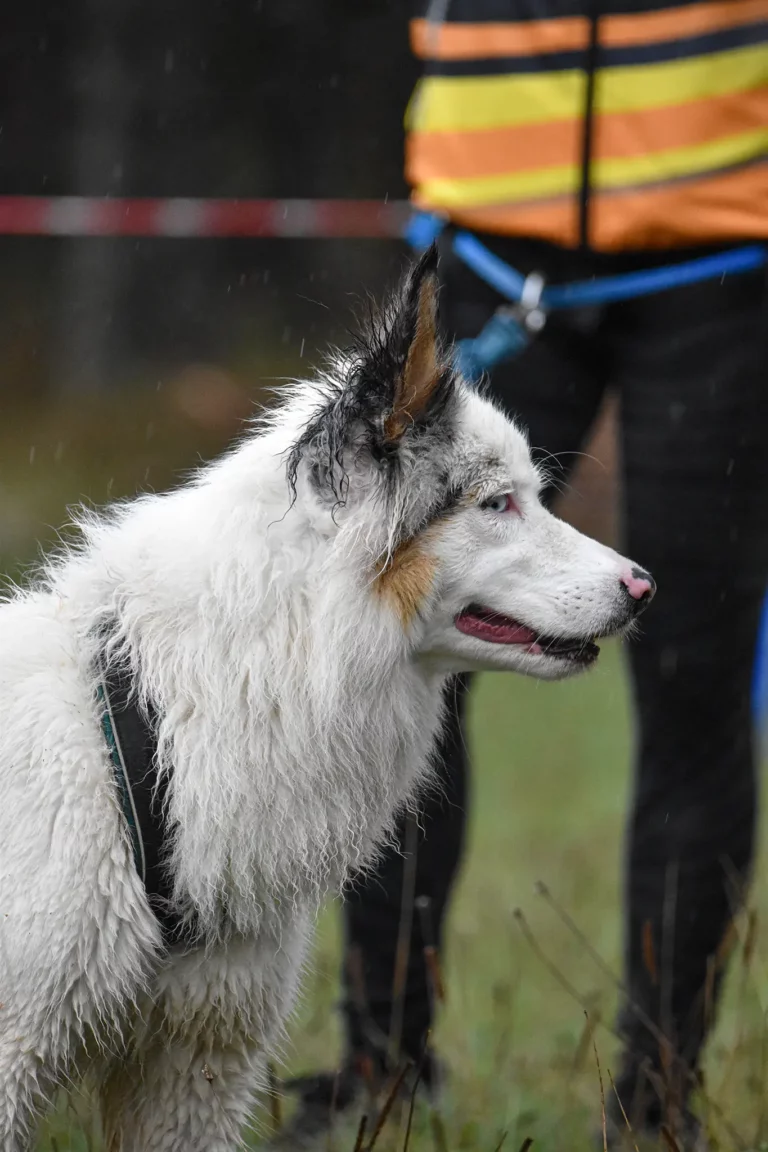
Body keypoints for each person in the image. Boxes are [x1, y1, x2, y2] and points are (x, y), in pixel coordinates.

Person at [279, 3, 768, 1147]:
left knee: (697, 690)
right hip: (490, 236)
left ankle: (654, 1105)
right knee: (396, 659)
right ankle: (381, 1066)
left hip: (726, 250)